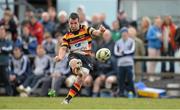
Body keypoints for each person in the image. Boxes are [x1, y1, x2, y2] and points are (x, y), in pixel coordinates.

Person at [55, 12, 106, 104]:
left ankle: (67, 99)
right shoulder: (67, 36)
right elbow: (63, 48)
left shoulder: (86, 29)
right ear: (68, 23)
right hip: (74, 54)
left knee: (80, 79)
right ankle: (77, 69)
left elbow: (96, 33)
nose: (73, 25)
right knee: (74, 61)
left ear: (79, 22)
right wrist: (60, 57)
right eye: (71, 23)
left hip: (87, 57)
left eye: (75, 23)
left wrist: (101, 31)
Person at [114, 27, 136, 97]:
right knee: (121, 79)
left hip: (129, 63)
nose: (124, 34)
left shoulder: (131, 41)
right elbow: (116, 53)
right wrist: (123, 53)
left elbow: (132, 51)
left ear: (127, 33)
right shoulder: (118, 42)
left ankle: (132, 92)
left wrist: (123, 52)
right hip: (121, 64)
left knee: (130, 79)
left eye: (125, 33)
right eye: (123, 33)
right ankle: (121, 93)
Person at [0, 25, 13, 96]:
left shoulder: (8, 41)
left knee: (6, 80)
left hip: (5, 64)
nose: (1, 33)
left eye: (2, 31)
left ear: (5, 33)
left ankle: (9, 94)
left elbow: (10, 49)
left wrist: (2, 49)